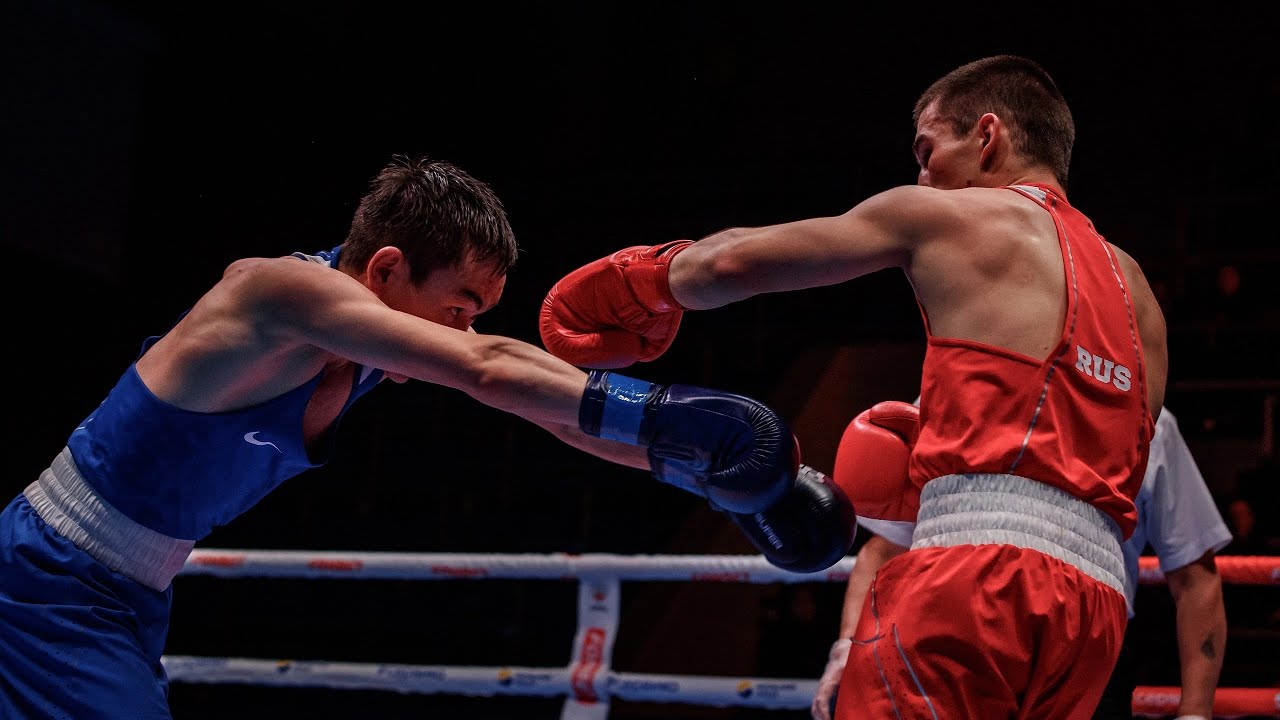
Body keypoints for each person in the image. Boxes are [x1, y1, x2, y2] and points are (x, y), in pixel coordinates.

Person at [0, 155, 854, 719]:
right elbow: (484, 368)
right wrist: (672, 411)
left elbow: (533, 400)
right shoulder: (275, 297)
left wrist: (714, 473)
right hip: (48, 579)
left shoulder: (366, 340)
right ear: (384, 271)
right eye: (457, 306)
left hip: (125, 594)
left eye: (471, 315)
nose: (462, 329)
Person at [539, 55, 1168, 717]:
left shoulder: (953, 218)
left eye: (928, 151)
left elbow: (730, 260)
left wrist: (645, 284)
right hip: (1095, 609)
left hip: (973, 577)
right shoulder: (1140, 297)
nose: (921, 176)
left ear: (988, 137)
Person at [809, 406, 1232, 720]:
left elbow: (1195, 576)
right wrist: (847, 646)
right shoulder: (950, 396)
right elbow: (884, 549)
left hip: (1089, 645)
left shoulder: (1147, 419)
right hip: (953, 622)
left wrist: (1195, 713)